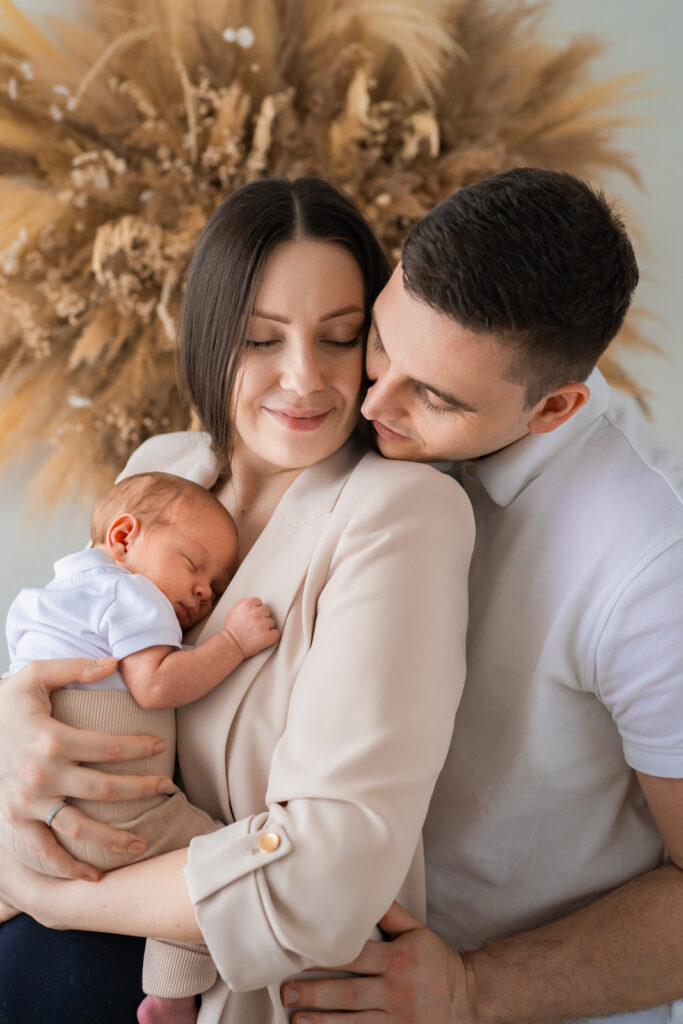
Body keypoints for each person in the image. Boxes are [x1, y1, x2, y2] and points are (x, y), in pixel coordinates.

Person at [0, 176, 474, 1024]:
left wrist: (58, 899)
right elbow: (66, 649)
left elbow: (326, 875)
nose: (303, 378)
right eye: (261, 339)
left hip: (223, 985)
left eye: (338, 338)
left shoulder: (400, 513)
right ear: (211, 336)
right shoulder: (166, 465)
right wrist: (14, 731)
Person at [276, 168, 683, 1024]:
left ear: (554, 407)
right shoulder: (351, 414)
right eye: (384, 341)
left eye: (435, 395)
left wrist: (474, 988)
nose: (372, 400)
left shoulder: (653, 565)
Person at [4, 469, 279, 1024]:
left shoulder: (39, 598)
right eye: (194, 566)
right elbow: (155, 685)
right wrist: (230, 641)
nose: (204, 592)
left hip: (26, 822)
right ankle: (170, 997)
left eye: (218, 589)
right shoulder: (130, 591)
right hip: (115, 812)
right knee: (218, 863)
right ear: (125, 538)